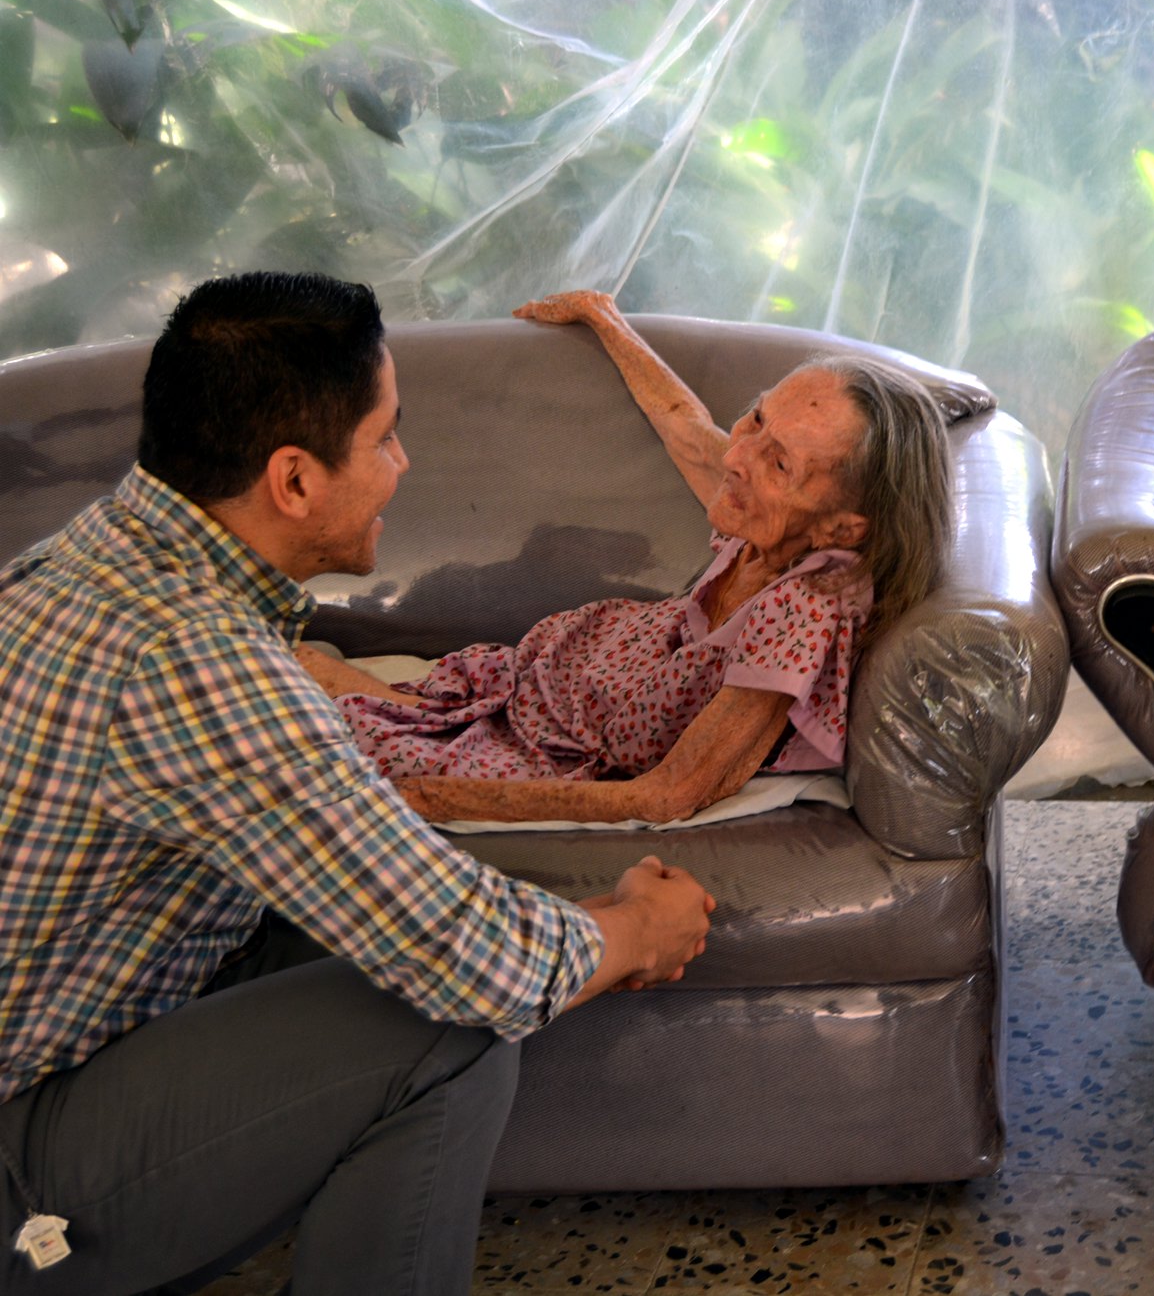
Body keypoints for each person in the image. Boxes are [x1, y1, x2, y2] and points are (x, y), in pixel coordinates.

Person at [0, 272, 715, 1295]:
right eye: (384, 438)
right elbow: (470, 961)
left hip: (71, 1035)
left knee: (401, 957)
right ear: (293, 479)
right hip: (22, 1162)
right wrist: (633, 933)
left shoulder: (86, 558)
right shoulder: (192, 658)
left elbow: (394, 898)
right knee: (452, 1023)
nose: (403, 464)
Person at [295, 289, 953, 827]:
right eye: (756, 419)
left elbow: (666, 795)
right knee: (300, 668)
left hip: (547, 749)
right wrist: (603, 315)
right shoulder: (767, 520)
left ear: (842, 525)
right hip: (519, 685)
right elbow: (686, 426)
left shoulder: (800, 613)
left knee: (301, 750)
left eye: (777, 460)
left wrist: (423, 798)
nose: (736, 456)